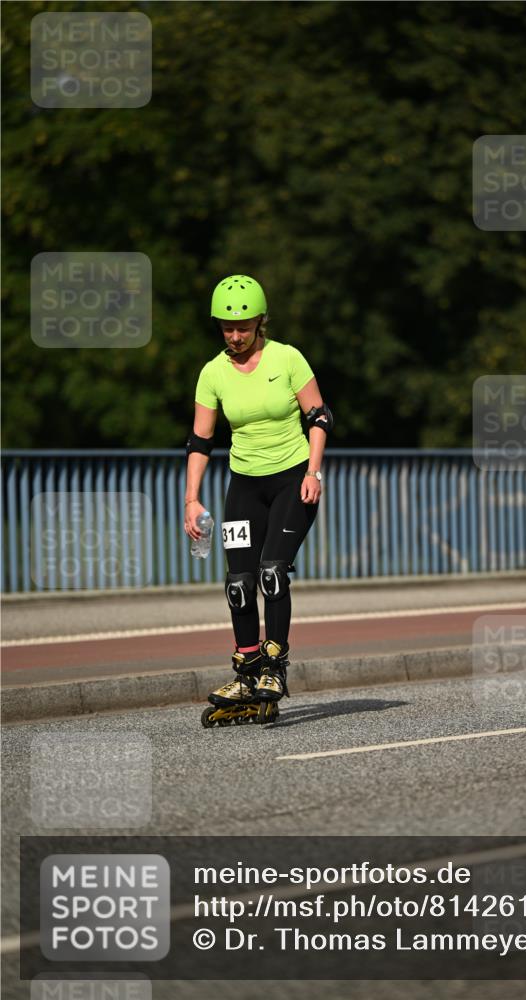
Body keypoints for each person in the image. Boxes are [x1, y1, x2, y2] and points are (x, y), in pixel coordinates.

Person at [184, 274, 333, 725]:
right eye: (227, 328)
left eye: (243, 327)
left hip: (292, 480)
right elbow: (199, 440)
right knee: (238, 583)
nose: (235, 335)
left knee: (272, 574)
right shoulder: (212, 373)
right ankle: (246, 672)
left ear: (259, 322)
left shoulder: (287, 359)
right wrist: (191, 499)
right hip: (244, 486)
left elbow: (320, 414)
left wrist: (313, 470)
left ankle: (274, 667)